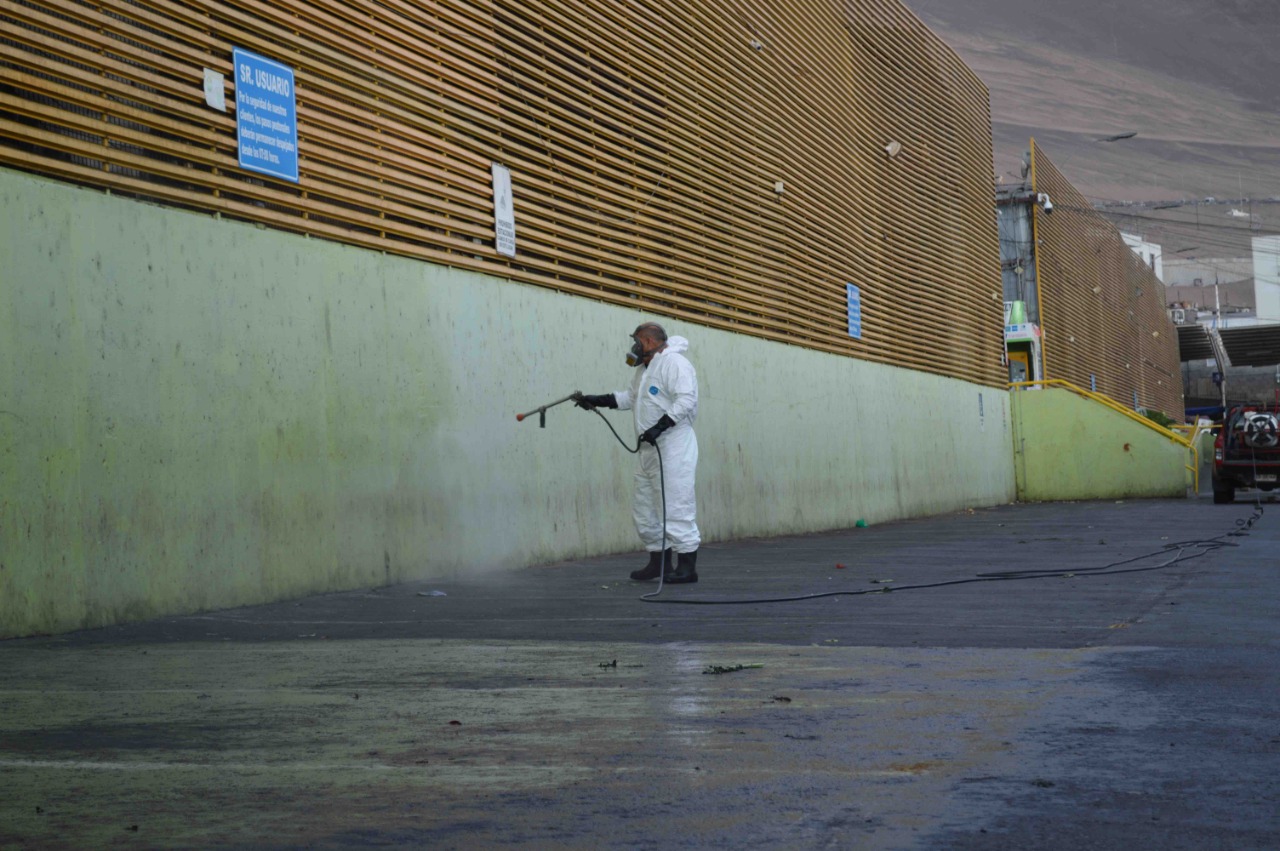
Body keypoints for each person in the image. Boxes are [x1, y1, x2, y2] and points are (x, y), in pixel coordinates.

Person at [574, 322, 701, 583]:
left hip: (673, 447)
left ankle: (687, 567)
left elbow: (686, 400)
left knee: (676, 505)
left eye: (637, 341)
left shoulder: (675, 364)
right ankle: (659, 563)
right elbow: (631, 398)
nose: (634, 347)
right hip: (648, 450)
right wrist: (596, 400)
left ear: (650, 342)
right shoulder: (645, 370)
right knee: (645, 509)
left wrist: (661, 426)